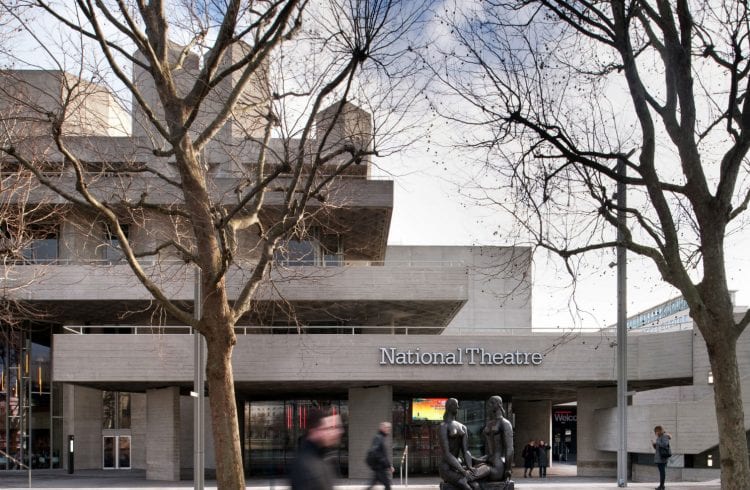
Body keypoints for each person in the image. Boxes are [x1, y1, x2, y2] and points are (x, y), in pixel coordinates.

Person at [289, 408, 343, 490]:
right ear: (314, 431)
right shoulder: (305, 466)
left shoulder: (322, 457)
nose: (338, 432)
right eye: (330, 428)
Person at [437, 398, 478, 490]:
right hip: (446, 468)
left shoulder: (463, 427)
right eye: (456, 405)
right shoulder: (443, 426)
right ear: (449, 407)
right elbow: (447, 454)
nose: (458, 407)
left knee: (477, 485)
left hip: (457, 467)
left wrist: (470, 467)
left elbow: (466, 450)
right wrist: (463, 471)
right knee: (465, 485)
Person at [472, 395, 514, 483]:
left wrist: (508, 470)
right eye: (489, 403)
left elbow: (509, 449)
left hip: (498, 467)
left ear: (499, 404)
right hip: (487, 461)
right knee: (466, 471)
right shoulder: (489, 423)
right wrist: (476, 459)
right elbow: (489, 450)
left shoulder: (505, 423)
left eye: (492, 403)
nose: (489, 405)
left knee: (469, 476)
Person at [366, 421, 394, 490]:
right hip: (380, 467)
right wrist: (388, 465)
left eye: (389, 428)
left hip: (379, 467)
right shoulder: (379, 438)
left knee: (372, 485)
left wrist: (388, 465)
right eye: (387, 428)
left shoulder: (381, 438)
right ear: (382, 428)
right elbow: (377, 453)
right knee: (387, 486)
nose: (389, 429)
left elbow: (382, 454)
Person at [652, 425, 671, 490]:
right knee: (661, 472)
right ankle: (661, 486)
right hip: (659, 457)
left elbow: (665, 445)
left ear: (659, 431)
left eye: (656, 431)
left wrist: (657, 442)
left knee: (662, 472)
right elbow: (658, 448)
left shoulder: (664, 436)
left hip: (662, 457)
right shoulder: (659, 437)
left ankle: (662, 486)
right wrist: (654, 445)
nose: (655, 433)